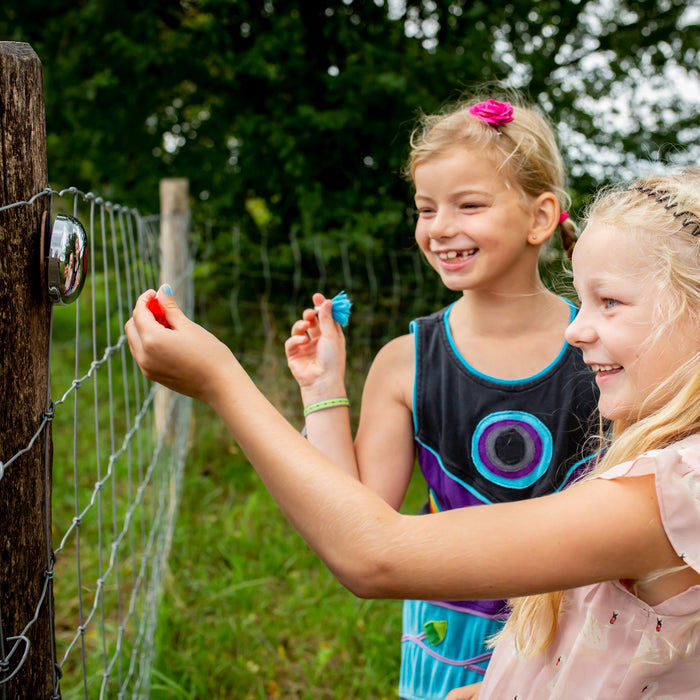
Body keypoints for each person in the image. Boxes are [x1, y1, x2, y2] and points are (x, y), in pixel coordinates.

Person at [126, 169, 700, 698]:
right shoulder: (657, 450)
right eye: (425, 207)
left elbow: (372, 554)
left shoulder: (674, 492)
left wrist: (222, 381)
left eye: (610, 302)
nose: (576, 330)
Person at [283, 93, 599, 698]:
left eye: (469, 205)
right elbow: (354, 513)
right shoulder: (405, 364)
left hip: (584, 638)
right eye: (426, 209)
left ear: (540, 218)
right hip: (447, 640)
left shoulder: (601, 349)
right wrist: (323, 388)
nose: (441, 228)